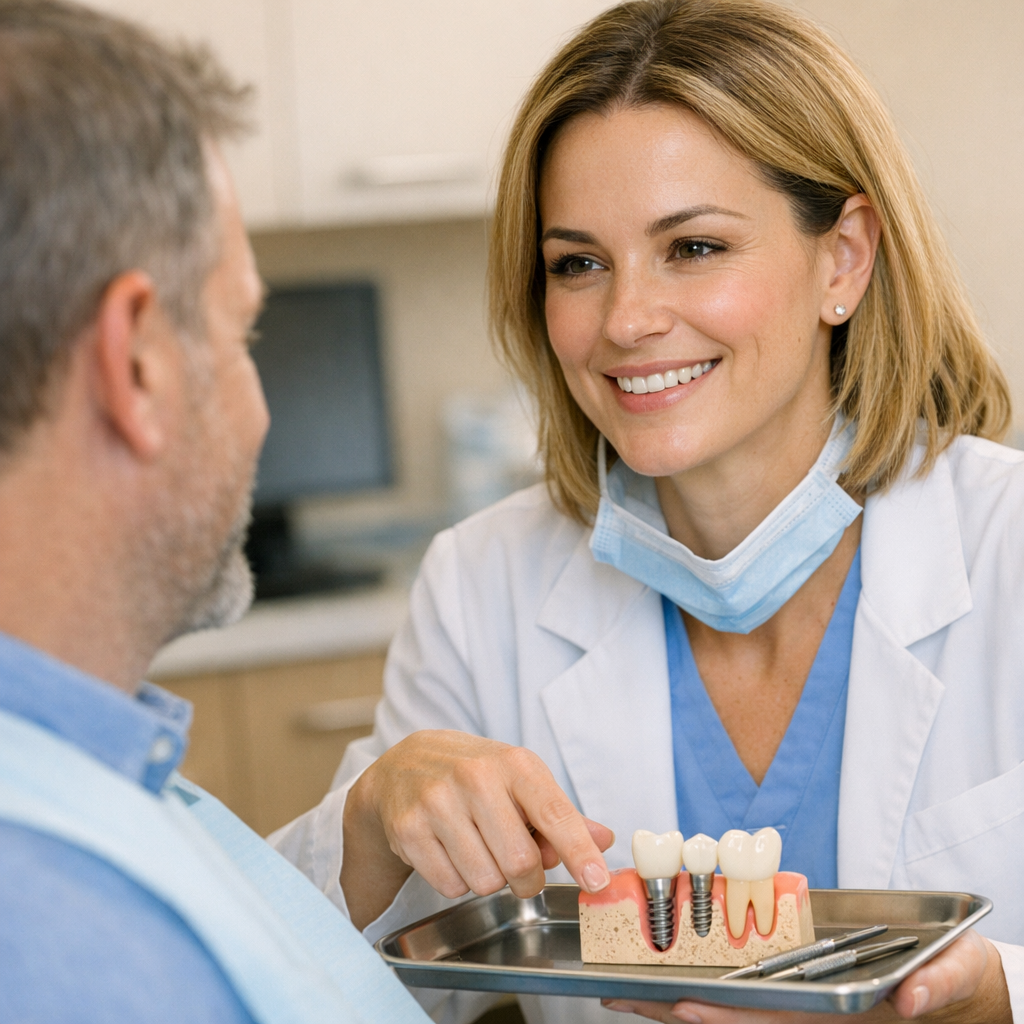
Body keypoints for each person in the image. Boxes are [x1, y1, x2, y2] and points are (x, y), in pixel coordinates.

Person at [270, 1, 1024, 1022]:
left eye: (695, 247)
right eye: (577, 263)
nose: (625, 320)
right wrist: (367, 831)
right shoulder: (483, 584)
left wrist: (997, 999)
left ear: (841, 258)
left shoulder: (1006, 546)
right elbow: (319, 999)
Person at [0, 2, 435, 1021]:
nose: (259, 408)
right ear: (137, 364)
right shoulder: (72, 941)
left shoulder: (94, 769)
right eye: (244, 334)